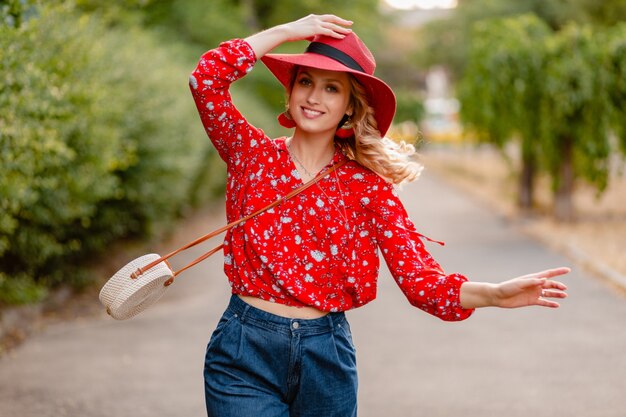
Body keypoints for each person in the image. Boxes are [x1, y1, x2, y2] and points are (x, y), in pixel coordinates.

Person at [189, 14, 569, 417]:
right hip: (244, 350)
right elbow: (206, 80)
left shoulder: (368, 188)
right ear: (290, 91)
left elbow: (422, 282)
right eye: (305, 81)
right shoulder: (252, 157)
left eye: (331, 88)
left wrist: (493, 294)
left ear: (350, 107)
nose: (314, 97)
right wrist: (288, 32)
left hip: (326, 358)